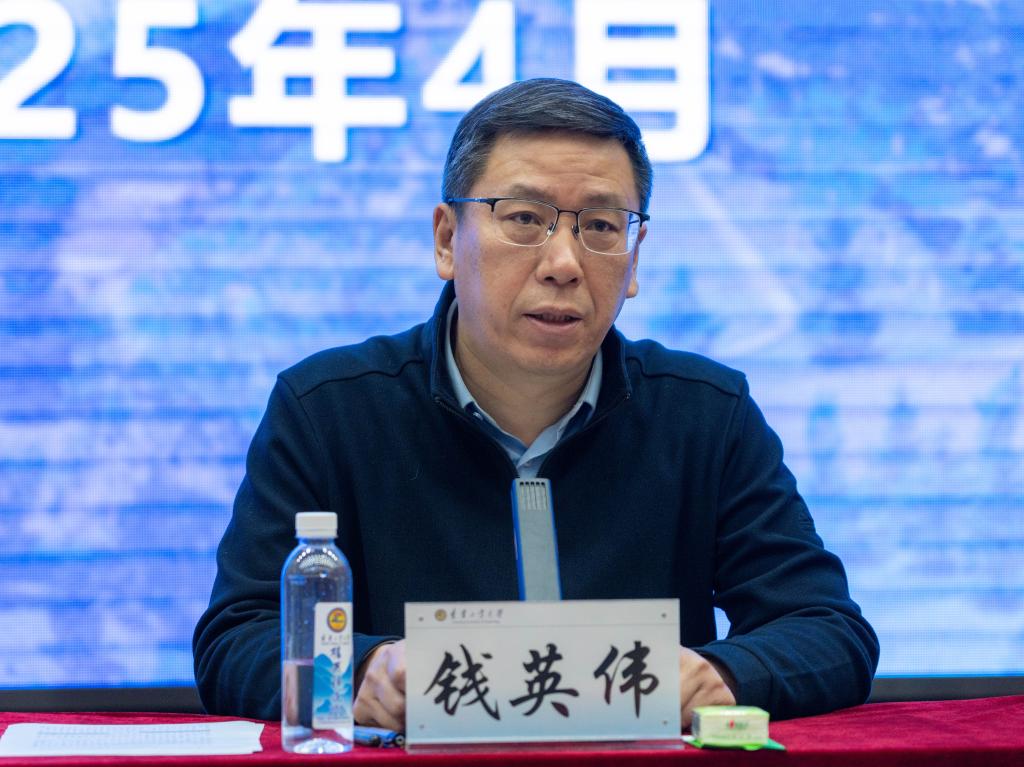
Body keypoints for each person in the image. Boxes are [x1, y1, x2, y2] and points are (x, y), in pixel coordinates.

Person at [193, 78, 879, 730]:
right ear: (445, 239)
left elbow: (827, 629)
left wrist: (719, 675)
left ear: (635, 257)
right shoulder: (329, 411)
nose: (565, 263)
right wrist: (361, 671)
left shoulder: (706, 414)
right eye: (525, 219)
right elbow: (238, 637)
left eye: (601, 226)